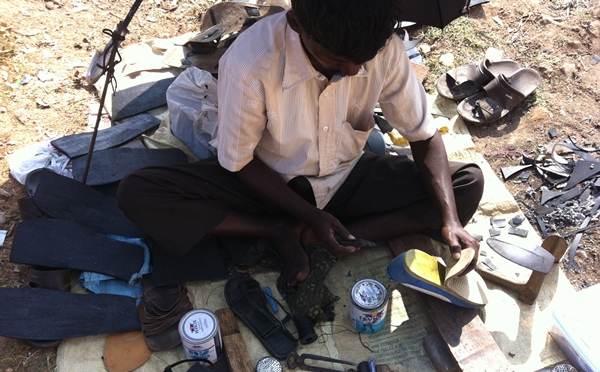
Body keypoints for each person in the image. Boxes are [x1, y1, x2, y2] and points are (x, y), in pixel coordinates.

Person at [117, 0, 484, 289]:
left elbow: (423, 136)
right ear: (297, 25)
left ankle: (322, 238)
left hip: (346, 177)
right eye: (337, 60)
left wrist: (450, 221)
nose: (354, 71)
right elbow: (239, 163)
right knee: (138, 192)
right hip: (266, 184)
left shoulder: (384, 49)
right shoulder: (249, 64)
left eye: (361, 60)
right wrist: (309, 214)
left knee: (466, 182)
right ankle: (279, 230)